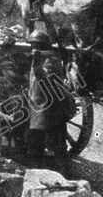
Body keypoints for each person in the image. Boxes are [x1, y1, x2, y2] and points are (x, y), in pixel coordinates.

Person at [25, 30, 75, 173]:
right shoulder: (42, 58)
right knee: (37, 142)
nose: (33, 47)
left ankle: (66, 173)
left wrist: (36, 63)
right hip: (39, 105)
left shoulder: (51, 60)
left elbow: (44, 80)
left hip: (49, 107)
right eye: (32, 45)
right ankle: (37, 172)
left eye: (36, 45)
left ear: (42, 46)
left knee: (56, 144)